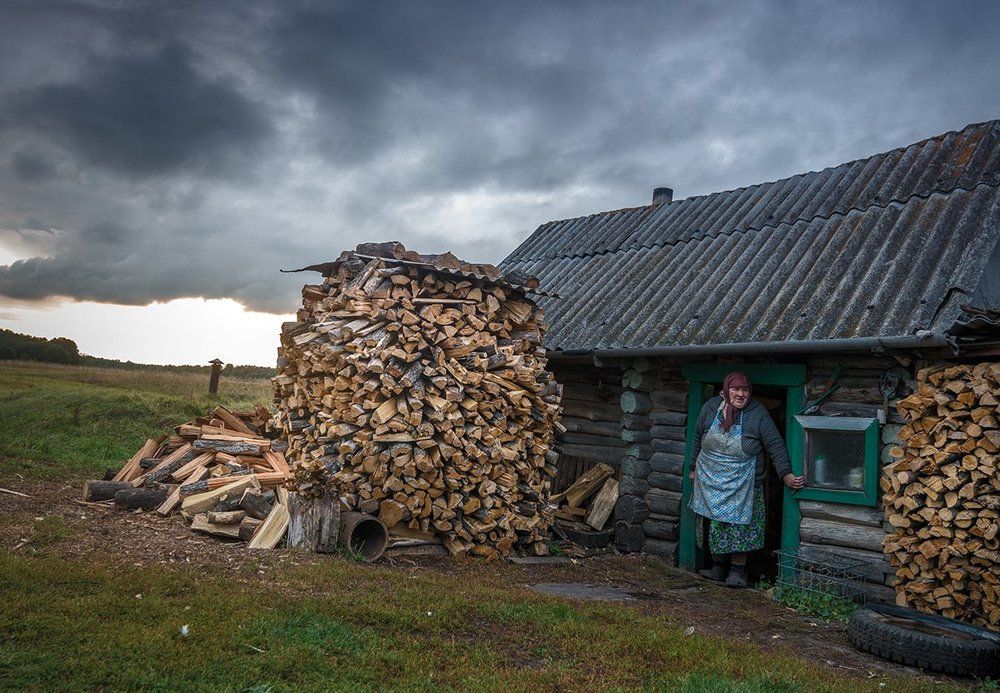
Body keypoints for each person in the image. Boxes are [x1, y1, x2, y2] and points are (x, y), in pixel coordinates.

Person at [688, 371, 804, 587]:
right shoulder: (711, 407)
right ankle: (718, 568)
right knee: (717, 526)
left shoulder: (757, 413)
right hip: (711, 481)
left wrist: (785, 473)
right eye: (736, 389)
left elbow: (775, 445)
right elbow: (697, 438)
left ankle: (738, 572)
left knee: (740, 528)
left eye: (745, 390)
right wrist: (693, 468)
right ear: (726, 389)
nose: (741, 394)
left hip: (744, 485)